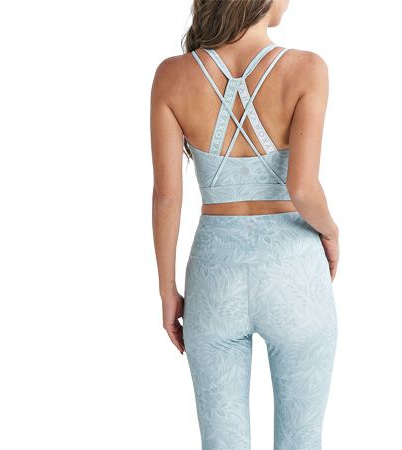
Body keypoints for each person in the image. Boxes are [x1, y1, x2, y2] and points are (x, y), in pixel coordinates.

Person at [150, 1, 340, 448]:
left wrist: (167, 290)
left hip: (215, 276)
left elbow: (167, 196)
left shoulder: (172, 75)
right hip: (293, 271)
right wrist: (331, 232)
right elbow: (303, 189)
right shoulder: (306, 69)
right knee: (301, 440)